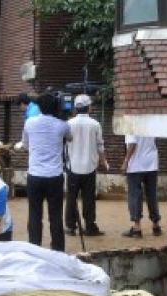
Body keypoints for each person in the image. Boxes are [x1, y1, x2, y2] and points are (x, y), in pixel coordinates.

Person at [19, 93, 71, 252]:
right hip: (54, 176)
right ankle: (57, 249)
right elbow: (70, 138)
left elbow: (25, 144)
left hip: (35, 175)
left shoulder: (29, 123)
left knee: (34, 213)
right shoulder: (62, 125)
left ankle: (35, 248)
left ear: (39, 106)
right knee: (55, 214)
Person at [65, 94, 108, 237]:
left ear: (76, 108)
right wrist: (103, 162)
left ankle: (70, 227)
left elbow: (64, 144)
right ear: (89, 107)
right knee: (89, 198)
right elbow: (100, 146)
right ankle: (89, 226)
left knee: (71, 197)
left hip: (73, 167)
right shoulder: (95, 124)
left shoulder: (69, 124)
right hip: (90, 167)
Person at [121, 135, 161, 238]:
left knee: (135, 195)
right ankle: (156, 225)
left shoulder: (130, 124)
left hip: (136, 165)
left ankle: (137, 228)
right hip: (152, 163)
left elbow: (132, 144)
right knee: (152, 194)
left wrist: (126, 162)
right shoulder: (150, 123)